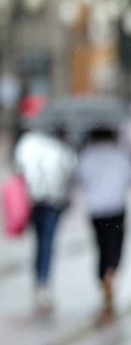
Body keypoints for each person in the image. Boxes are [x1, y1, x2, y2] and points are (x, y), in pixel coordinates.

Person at [13, 125, 76, 312]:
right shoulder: (61, 146)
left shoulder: (27, 142)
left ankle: (40, 281)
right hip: (53, 201)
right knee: (47, 241)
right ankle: (43, 282)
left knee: (40, 241)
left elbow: (19, 167)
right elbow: (70, 171)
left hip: (32, 199)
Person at [77, 128, 131, 317]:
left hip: (96, 210)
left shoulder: (86, 156)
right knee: (116, 244)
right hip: (116, 208)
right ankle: (111, 273)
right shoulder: (121, 155)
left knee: (100, 246)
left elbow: (81, 180)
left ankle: (103, 279)